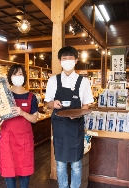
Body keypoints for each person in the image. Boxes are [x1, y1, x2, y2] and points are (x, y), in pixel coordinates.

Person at [45, 46, 94, 188]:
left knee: (76, 164)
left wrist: (77, 114)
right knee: (60, 163)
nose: (67, 61)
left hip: (75, 127)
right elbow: (47, 104)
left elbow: (86, 105)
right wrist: (53, 104)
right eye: (64, 58)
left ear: (76, 60)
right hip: (59, 126)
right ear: (60, 61)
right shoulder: (53, 81)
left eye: (70, 58)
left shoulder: (83, 81)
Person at [0, 64, 39, 188]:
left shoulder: (31, 97)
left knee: (25, 169)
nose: (18, 76)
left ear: (25, 77)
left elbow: (34, 119)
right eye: (15, 74)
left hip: (24, 139)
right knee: (9, 169)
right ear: (10, 77)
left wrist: (22, 113)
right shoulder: (3, 96)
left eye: (20, 74)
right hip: (7, 138)